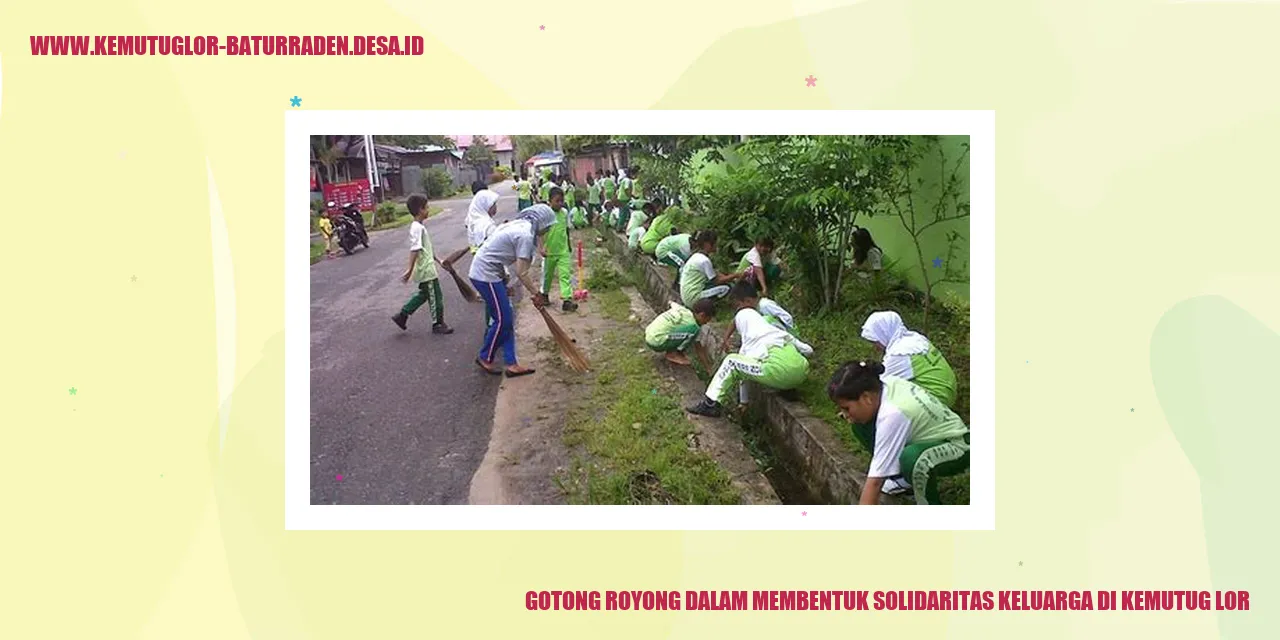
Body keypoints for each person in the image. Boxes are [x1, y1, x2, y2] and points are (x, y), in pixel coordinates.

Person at [826, 361, 970, 505]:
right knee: (860, 424)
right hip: (924, 440)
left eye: (847, 408)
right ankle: (899, 477)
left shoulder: (893, 414)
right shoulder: (883, 385)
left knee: (912, 459)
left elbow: (875, 483)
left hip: (957, 447)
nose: (844, 414)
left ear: (866, 398)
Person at [686, 285, 812, 417]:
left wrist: (744, 401)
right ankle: (788, 387)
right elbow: (808, 350)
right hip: (802, 371)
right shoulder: (779, 333)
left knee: (731, 361)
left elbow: (741, 373)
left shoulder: (750, 341)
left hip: (780, 373)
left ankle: (710, 404)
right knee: (779, 364)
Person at [469, 204, 558, 377]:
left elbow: (496, 253)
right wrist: (536, 294)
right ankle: (485, 356)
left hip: (493, 273)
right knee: (503, 320)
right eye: (547, 226)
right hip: (485, 275)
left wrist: (504, 283)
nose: (547, 230)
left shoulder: (520, 226)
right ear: (541, 223)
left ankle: (511, 363)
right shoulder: (524, 235)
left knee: (507, 319)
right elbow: (522, 272)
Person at [861, 311, 957, 408]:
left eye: (876, 341)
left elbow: (877, 384)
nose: (875, 347)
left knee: (883, 397)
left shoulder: (900, 353)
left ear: (884, 333)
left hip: (936, 399)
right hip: (947, 391)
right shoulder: (915, 339)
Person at [391, 194, 453, 335]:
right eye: (427, 207)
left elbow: (426, 249)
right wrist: (409, 270)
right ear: (420, 210)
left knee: (425, 294)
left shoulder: (419, 227)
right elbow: (415, 249)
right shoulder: (416, 228)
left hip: (427, 267)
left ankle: (402, 315)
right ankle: (437, 324)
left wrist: (439, 260)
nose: (429, 210)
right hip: (426, 270)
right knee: (436, 296)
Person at [539, 187, 578, 312]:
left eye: (562, 201)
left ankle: (567, 300)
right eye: (557, 201)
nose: (560, 203)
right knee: (547, 276)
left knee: (565, 275)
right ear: (549, 201)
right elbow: (539, 233)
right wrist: (541, 248)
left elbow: (566, 229)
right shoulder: (545, 214)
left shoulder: (565, 213)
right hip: (549, 252)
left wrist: (569, 244)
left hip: (563, 251)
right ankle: (544, 295)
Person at [645, 299, 715, 366]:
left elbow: (671, 302)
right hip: (656, 342)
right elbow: (697, 346)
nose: (706, 323)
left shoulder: (682, 309)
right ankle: (673, 354)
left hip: (649, 334)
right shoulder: (693, 325)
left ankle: (674, 352)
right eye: (707, 320)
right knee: (694, 330)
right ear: (702, 315)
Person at [679, 230, 738, 308]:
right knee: (726, 288)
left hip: (686, 295)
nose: (716, 246)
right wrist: (736, 275)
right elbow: (716, 281)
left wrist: (729, 277)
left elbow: (715, 273)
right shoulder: (704, 260)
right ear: (707, 244)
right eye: (715, 244)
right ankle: (707, 306)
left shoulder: (696, 256)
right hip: (693, 298)